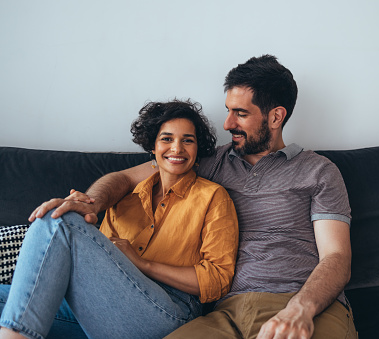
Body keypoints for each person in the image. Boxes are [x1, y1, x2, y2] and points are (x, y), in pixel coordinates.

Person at [28, 55, 357, 338]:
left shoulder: (319, 171)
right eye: (228, 111)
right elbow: (126, 178)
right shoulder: (208, 162)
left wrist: (300, 309)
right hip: (226, 314)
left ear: (275, 117)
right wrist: (92, 202)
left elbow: (337, 258)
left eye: (240, 114)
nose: (227, 123)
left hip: (303, 304)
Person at [0, 99, 239, 339]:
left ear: (197, 149)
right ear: (153, 147)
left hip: (170, 312)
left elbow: (217, 279)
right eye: (167, 139)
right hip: (108, 305)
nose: (177, 148)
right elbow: (98, 267)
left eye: (188, 140)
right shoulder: (126, 198)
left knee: (60, 218)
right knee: (11, 295)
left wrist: (142, 264)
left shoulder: (213, 197)